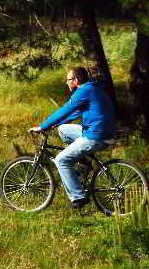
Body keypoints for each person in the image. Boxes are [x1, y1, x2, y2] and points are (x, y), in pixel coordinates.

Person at [29, 66, 116, 209]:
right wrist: (54, 125)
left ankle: (78, 197)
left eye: (68, 80)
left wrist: (43, 126)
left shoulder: (83, 91)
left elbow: (65, 110)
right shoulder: (93, 89)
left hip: (95, 136)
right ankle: (84, 161)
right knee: (63, 130)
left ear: (75, 80)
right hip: (103, 132)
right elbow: (74, 114)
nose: (66, 82)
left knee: (61, 160)